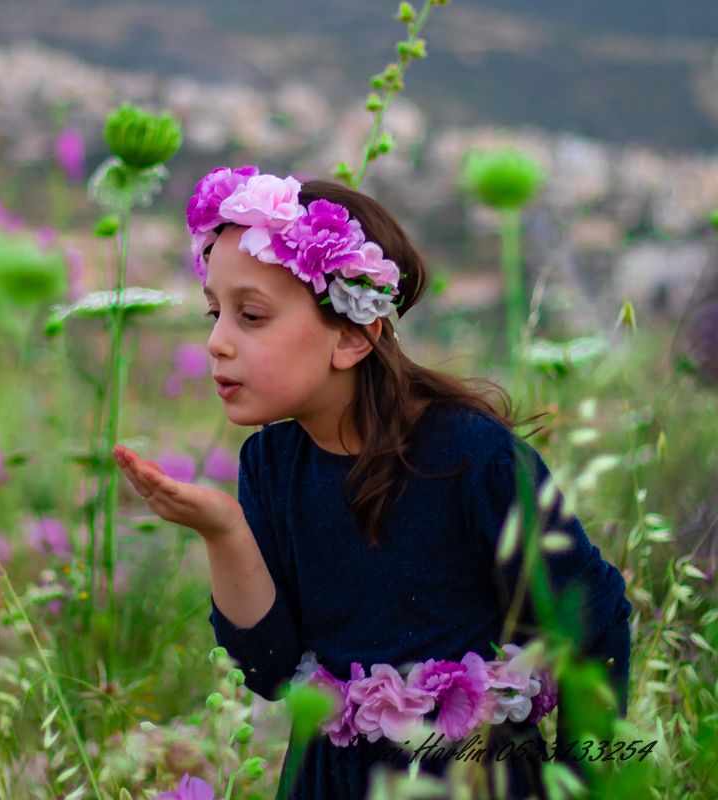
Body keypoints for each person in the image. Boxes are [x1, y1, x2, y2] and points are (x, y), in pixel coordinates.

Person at [112, 169, 631, 800]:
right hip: (325, 783)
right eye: (215, 313)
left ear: (354, 337)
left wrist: (582, 781)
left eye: (251, 315)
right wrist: (224, 532)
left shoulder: (474, 459)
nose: (217, 343)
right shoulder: (271, 464)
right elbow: (271, 671)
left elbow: (594, 618)